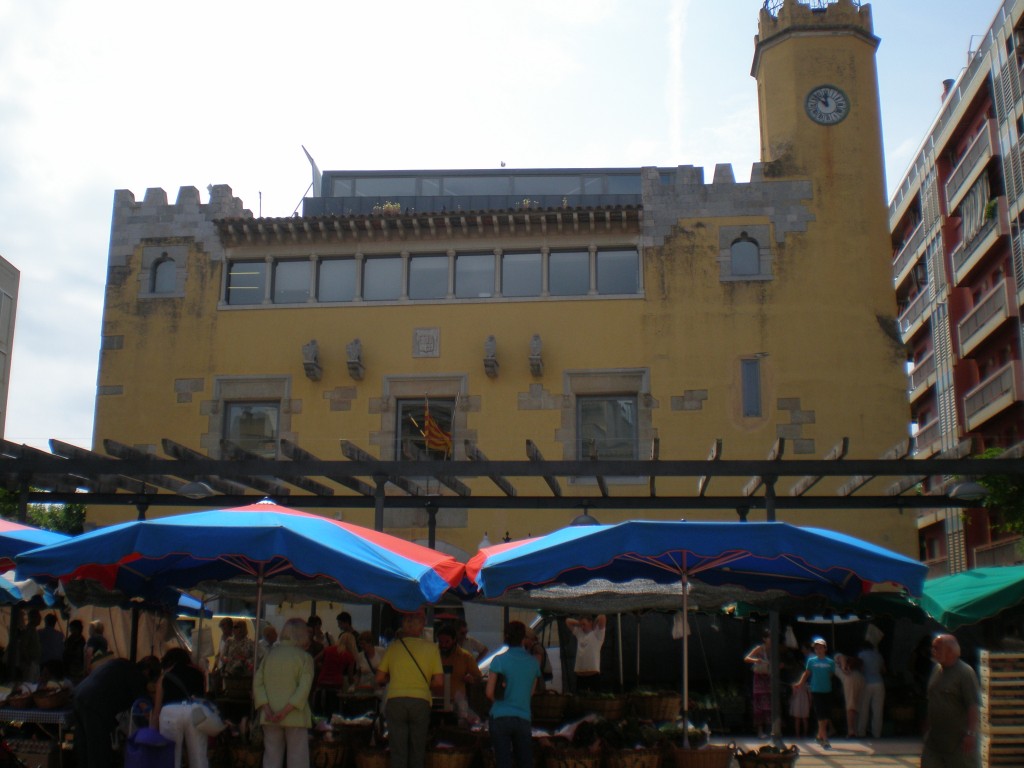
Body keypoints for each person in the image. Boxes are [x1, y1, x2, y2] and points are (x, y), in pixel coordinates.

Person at [376, 609, 443, 768]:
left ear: (404, 625)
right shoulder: (432, 648)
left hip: (396, 700)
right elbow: (439, 682)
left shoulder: (393, 647)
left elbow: (379, 678)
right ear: (422, 626)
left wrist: (392, 678)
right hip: (420, 701)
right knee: (417, 750)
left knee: (398, 751)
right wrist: (424, 684)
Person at [72, 655, 160, 768]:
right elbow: (145, 708)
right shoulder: (137, 677)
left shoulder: (122, 663)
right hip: (95, 704)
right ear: (148, 672)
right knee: (98, 750)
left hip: (79, 695)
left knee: (84, 748)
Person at [254, 617, 314, 768]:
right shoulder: (305, 658)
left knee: (271, 758)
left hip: (269, 714)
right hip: (295, 715)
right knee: (297, 759)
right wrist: (286, 710)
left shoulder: (269, 654)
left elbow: (257, 683)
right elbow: (304, 689)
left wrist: (266, 708)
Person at [487, 621, 541, 768]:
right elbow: (531, 692)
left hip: (500, 716)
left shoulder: (498, 661)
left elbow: (489, 693)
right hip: (523, 717)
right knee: (525, 761)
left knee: (503, 761)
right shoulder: (533, 663)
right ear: (523, 638)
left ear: (505, 637)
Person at [922, 634, 980, 768]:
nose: (933, 651)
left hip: (957, 743)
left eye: (937, 648)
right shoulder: (937, 670)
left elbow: (973, 705)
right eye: (933, 648)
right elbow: (933, 699)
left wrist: (970, 734)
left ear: (950, 651)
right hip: (934, 741)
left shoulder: (965, 673)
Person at [152, 647, 207, 768]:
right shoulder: (199, 674)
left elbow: (157, 710)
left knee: (170, 758)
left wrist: (152, 731)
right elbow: (203, 698)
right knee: (199, 757)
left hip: (170, 712)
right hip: (195, 711)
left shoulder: (164, 677)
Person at [793, 636, 835, 749]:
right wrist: (800, 683)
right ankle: (824, 738)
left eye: (820, 648)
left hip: (827, 690)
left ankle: (819, 735)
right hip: (816, 690)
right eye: (816, 648)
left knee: (825, 715)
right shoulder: (811, 661)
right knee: (820, 714)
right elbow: (806, 673)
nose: (818, 650)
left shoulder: (830, 662)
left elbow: (831, 674)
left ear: (825, 649)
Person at [436, 624, 482, 723]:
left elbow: (478, 676)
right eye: (441, 642)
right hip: (436, 701)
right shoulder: (433, 654)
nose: (443, 645)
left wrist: (471, 678)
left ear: (454, 640)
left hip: (457, 704)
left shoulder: (465, 656)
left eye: (447, 642)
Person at [743, 629, 772, 739]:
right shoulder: (760, 648)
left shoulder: (774, 650)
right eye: (769, 637)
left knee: (770, 705)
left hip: (769, 679)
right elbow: (747, 658)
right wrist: (756, 660)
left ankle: (769, 730)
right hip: (759, 679)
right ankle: (760, 731)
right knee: (759, 705)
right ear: (764, 639)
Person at [565, 614, 606, 693]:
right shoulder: (579, 633)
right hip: (580, 676)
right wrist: (579, 623)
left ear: (590, 622)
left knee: (595, 700)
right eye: (581, 625)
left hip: (593, 675)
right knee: (580, 700)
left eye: (584, 624)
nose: (582, 627)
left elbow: (602, 617)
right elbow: (567, 621)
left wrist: (595, 623)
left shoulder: (597, 633)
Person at [857, 640, 886, 739]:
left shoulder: (861, 655)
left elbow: (860, 669)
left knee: (863, 709)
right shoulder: (878, 655)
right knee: (877, 710)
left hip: (866, 683)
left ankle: (861, 732)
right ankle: (877, 733)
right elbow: (883, 670)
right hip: (879, 682)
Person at [834, 650, 864, 739]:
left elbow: (841, 656)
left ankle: (851, 731)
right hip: (859, 678)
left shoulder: (834, 658)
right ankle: (857, 730)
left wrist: (843, 667)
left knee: (850, 706)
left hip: (849, 678)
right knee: (856, 706)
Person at [18, 608, 42, 682]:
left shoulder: (33, 630)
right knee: (29, 683)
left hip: (35, 662)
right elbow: (23, 645)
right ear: (33, 618)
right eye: (38, 617)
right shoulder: (29, 630)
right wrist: (28, 660)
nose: (40, 619)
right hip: (30, 662)